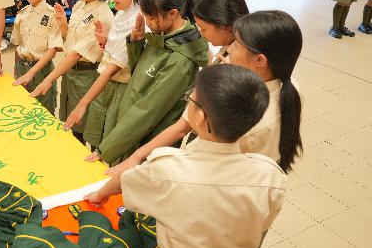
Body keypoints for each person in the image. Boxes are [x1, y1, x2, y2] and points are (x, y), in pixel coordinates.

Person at [86, 64, 286, 248]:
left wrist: (100, 194)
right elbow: (262, 223)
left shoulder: (167, 169)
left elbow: (124, 182)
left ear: (200, 116)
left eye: (191, 98)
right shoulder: (271, 176)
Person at [109, 10, 303, 176]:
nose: (229, 49)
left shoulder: (241, 111)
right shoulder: (290, 85)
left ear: (259, 60)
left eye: (237, 44)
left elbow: (190, 142)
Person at [88, 0, 209, 165]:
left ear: (172, 13)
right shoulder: (163, 35)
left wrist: (107, 148)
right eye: (145, 16)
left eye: (151, 18)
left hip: (148, 138)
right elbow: (141, 74)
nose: (148, 23)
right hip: (133, 127)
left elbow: (150, 109)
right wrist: (136, 44)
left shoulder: (181, 60)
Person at [64, 0, 154, 148]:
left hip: (120, 88)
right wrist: (106, 41)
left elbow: (115, 66)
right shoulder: (121, 15)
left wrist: (83, 103)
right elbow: (119, 52)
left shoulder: (138, 22)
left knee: (108, 140)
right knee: (95, 134)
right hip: (105, 84)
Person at [30, 0, 115, 143]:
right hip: (71, 73)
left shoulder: (102, 15)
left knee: (85, 126)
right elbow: (71, 40)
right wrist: (63, 23)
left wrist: (48, 79)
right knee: (72, 122)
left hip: (88, 75)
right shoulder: (80, 5)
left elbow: (77, 54)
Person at [11, 0, 63, 114]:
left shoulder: (52, 15)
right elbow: (18, 46)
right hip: (22, 67)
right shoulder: (21, 14)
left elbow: (52, 50)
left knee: (44, 111)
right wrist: (17, 71)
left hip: (42, 70)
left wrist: (31, 73)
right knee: (23, 109)